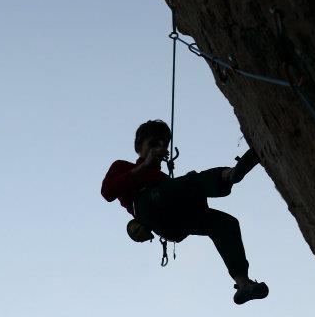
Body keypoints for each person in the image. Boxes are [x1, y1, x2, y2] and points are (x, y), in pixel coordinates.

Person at [101, 119, 269, 305]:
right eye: (153, 143)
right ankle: (229, 175)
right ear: (139, 145)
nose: (160, 148)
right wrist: (143, 167)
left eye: (164, 144)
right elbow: (107, 192)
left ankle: (243, 283)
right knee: (190, 182)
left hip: (174, 221)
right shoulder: (123, 166)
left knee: (225, 224)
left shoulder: (164, 179)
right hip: (147, 205)